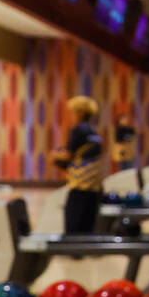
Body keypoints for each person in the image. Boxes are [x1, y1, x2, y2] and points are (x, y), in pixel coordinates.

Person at [53, 95, 104, 234]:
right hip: (94, 181)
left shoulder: (78, 130)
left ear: (80, 113)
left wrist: (55, 156)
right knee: (88, 215)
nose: (72, 116)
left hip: (80, 181)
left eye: (73, 112)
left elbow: (68, 155)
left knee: (74, 214)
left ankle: (73, 246)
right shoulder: (93, 131)